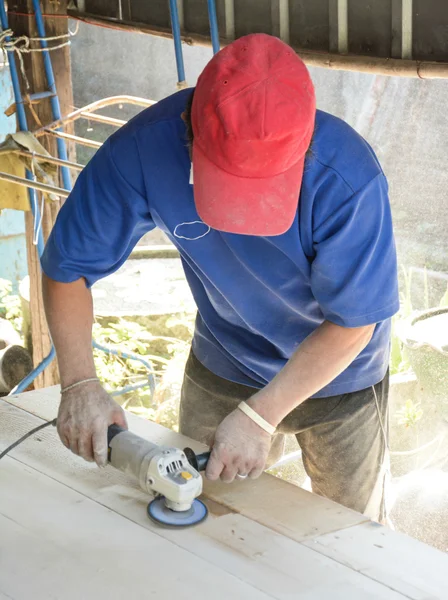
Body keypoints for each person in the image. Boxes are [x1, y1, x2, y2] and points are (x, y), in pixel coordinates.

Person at [41, 34, 399, 522]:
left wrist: (260, 415)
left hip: (341, 373)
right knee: (204, 516)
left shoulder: (348, 179)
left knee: (347, 532)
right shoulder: (141, 154)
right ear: (190, 126)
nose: (241, 216)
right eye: (228, 185)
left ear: (305, 140)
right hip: (226, 357)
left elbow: (353, 323)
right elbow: (67, 268)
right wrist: (79, 383)